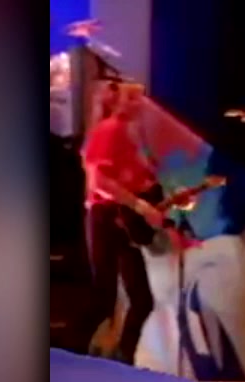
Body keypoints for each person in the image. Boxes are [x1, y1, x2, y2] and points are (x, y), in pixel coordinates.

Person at [81, 83, 166, 363]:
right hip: (107, 216)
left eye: (141, 97)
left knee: (141, 299)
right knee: (104, 298)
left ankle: (122, 360)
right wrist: (140, 205)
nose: (140, 103)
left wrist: (150, 196)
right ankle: (65, 357)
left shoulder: (130, 137)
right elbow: (100, 181)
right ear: (116, 102)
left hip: (121, 218)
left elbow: (131, 181)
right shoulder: (110, 130)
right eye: (132, 98)